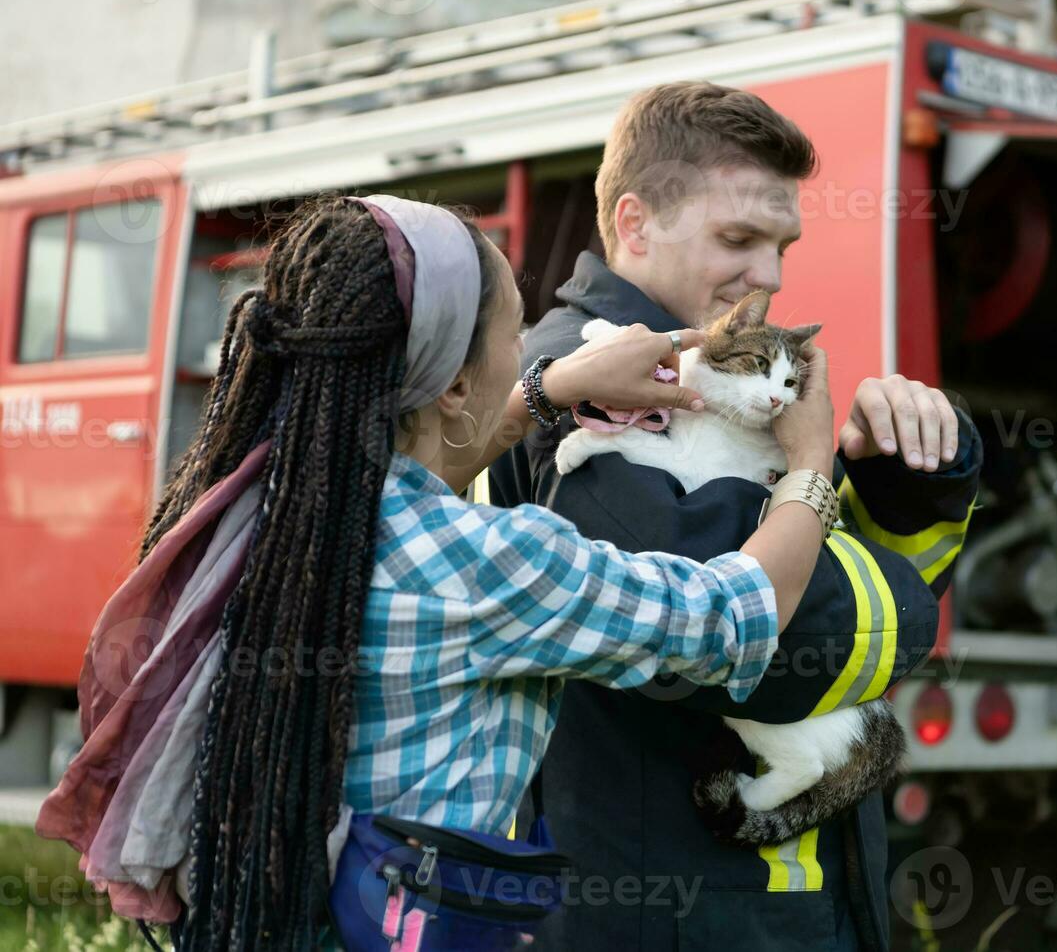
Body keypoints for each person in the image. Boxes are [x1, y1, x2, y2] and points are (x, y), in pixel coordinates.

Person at [36, 193, 841, 951]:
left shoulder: (265, 501)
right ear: (454, 382)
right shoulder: (496, 564)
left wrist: (547, 391)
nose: (526, 352)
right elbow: (734, 612)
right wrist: (809, 460)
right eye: (515, 335)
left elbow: (421, 479)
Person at [491, 82, 981, 951]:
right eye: (739, 239)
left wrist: (908, 481)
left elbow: (812, 569)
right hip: (672, 913)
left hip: (763, 898)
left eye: (783, 244)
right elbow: (765, 643)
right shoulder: (584, 388)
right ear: (635, 225)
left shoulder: (715, 371)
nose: (772, 276)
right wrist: (822, 482)